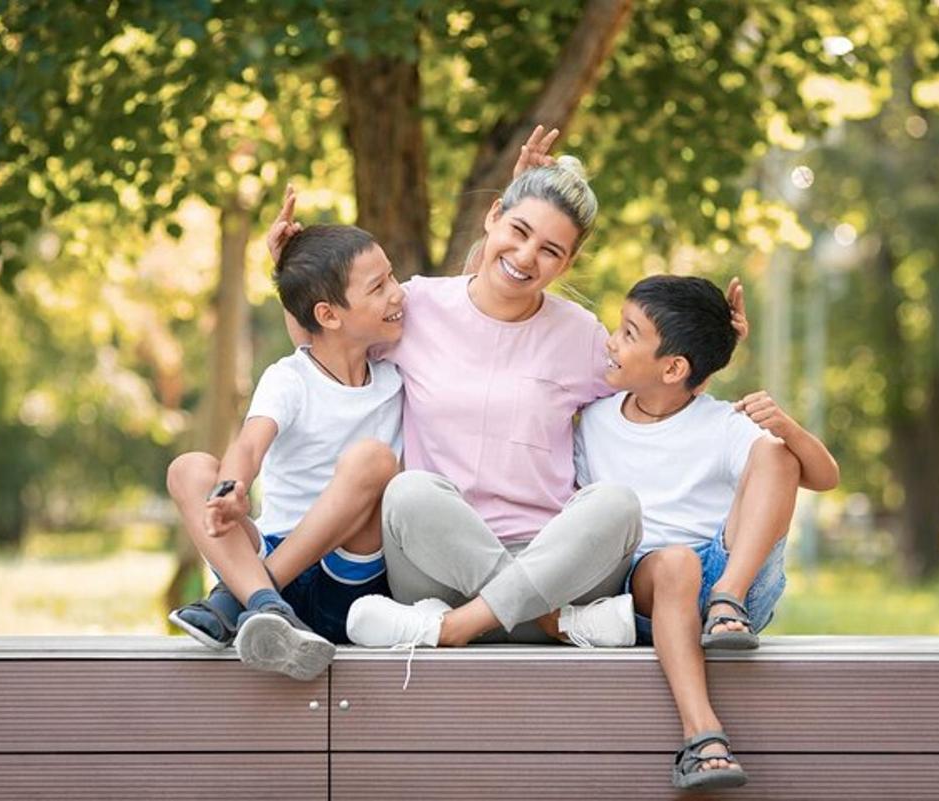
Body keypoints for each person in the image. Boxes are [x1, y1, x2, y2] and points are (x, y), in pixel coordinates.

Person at [323, 128, 647, 652]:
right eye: (517, 230)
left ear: (568, 263)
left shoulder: (581, 333)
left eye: (549, 250)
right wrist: (289, 274)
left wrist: (713, 341)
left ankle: (454, 631)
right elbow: (327, 346)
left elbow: (653, 390)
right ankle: (549, 622)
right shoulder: (419, 305)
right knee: (407, 491)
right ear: (492, 215)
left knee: (618, 504)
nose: (525, 255)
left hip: (553, 560)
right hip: (438, 568)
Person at [572, 274, 840, 792]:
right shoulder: (593, 420)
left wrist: (787, 427)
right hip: (649, 589)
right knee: (677, 563)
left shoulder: (720, 423)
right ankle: (704, 735)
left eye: (628, 334)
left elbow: (824, 477)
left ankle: (727, 600)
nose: (611, 341)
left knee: (775, 453)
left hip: (731, 587)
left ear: (674, 368)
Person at [165, 218, 405, 681]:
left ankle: (247, 601)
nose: (397, 293)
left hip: (348, 580)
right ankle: (268, 606)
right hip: (270, 551)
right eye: (379, 286)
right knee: (188, 468)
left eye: (391, 276)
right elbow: (250, 445)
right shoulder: (289, 379)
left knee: (373, 459)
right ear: (329, 315)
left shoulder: (395, 376)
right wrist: (232, 489)